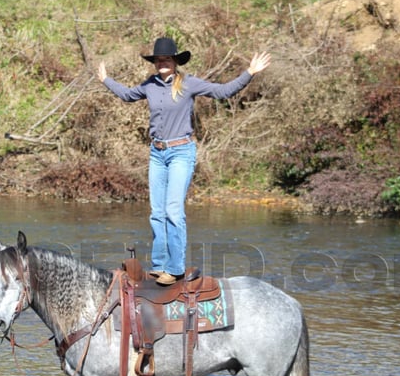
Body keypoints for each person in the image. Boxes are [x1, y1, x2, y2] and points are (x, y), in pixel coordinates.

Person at [97, 37, 271, 285]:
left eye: (166, 59)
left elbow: (222, 92)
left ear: (175, 61)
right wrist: (106, 80)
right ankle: (159, 265)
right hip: (157, 153)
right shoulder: (150, 85)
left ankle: (176, 268)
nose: (162, 63)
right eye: (158, 60)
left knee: (173, 210)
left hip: (181, 152)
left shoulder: (188, 84)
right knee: (157, 212)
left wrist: (249, 73)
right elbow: (126, 95)